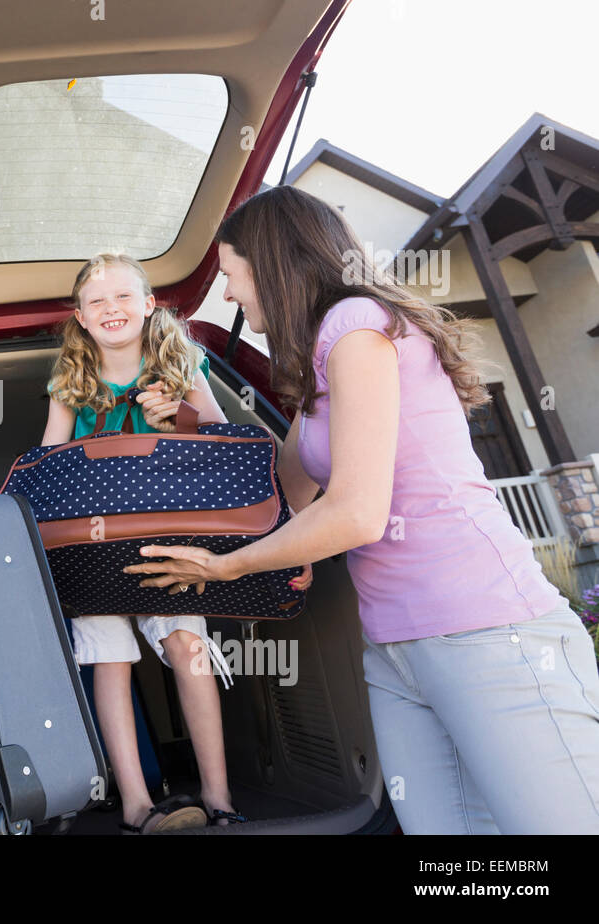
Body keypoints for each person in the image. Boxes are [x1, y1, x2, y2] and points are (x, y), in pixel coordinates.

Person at [127, 185, 599, 833]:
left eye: (232, 276)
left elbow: (354, 514)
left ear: (271, 264)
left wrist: (226, 568)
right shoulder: (315, 365)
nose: (229, 295)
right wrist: (191, 409)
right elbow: (284, 490)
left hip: (489, 631)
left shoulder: (355, 324)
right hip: (396, 650)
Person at [42, 253, 306, 831]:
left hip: (173, 541)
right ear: (80, 318)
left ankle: (219, 798)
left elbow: (224, 447)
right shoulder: (70, 379)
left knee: (189, 652)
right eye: (97, 301)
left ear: (149, 304)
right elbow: (50, 465)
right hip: (94, 546)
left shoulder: (183, 362)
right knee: (110, 662)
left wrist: (178, 419)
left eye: (123, 297)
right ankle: (137, 804)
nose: (111, 309)